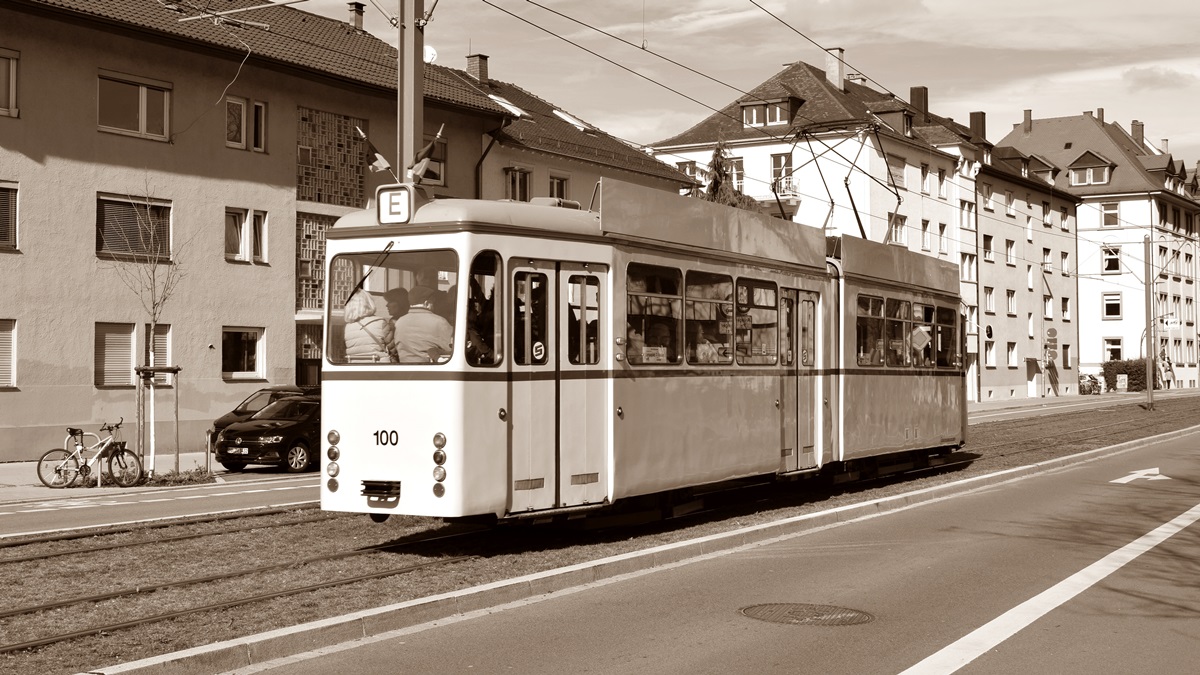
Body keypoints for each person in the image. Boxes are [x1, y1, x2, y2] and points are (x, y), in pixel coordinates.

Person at [394, 284, 454, 363]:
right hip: (430, 368)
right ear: (427, 303)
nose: (434, 306)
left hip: (404, 367)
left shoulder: (399, 322)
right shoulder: (439, 322)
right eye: (433, 303)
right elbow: (452, 348)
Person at [343, 291, 394, 363]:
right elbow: (393, 349)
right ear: (369, 304)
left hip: (355, 366)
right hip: (379, 366)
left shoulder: (348, 328)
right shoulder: (380, 322)